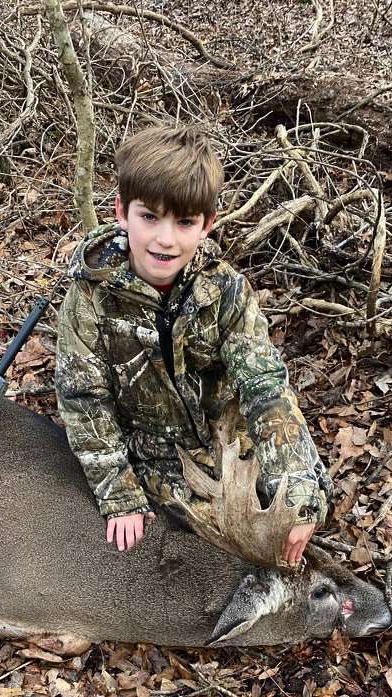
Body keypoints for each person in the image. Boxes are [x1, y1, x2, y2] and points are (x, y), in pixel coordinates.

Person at [55, 125, 332, 566]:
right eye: (150, 217)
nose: (166, 239)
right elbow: (84, 399)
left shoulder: (226, 291)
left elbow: (265, 387)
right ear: (122, 212)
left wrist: (297, 491)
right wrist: (120, 493)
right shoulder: (90, 299)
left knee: (291, 527)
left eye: (184, 222)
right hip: (157, 457)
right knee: (203, 560)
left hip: (231, 443)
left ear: (207, 224)